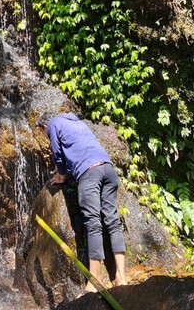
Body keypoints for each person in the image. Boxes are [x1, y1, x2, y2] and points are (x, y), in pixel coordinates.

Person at [36, 111, 127, 292]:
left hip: (89, 173)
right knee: (112, 222)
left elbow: (57, 152)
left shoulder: (53, 123)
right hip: (108, 169)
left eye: (42, 134)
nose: (45, 137)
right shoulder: (77, 123)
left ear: (44, 127)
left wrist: (61, 175)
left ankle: (94, 281)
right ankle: (122, 277)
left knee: (93, 223)